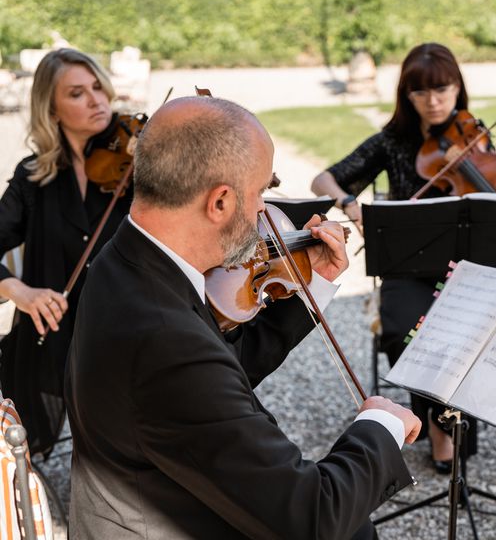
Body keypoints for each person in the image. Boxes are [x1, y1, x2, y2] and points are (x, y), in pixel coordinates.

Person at [65, 96, 422, 540]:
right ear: (219, 202)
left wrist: (314, 284)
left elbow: (214, 375)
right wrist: (380, 426)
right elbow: (313, 517)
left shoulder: (123, 258)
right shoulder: (166, 342)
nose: (264, 212)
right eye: (259, 193)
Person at [311, 42, 490, 473]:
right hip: (407, 267)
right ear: (407, 96)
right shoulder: (392, 141)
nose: (434, 102)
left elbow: (489, 189)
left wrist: (469, 167)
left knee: (463, 332)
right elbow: (324, 179)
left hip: (465, 268)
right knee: (402, 331)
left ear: (457, 89)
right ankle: (436, 420)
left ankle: (450, 427)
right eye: (422, 93)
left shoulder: (473, 133)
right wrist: (350, 202)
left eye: (443, 90)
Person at [0, 48, 134, 455]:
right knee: (23, 434)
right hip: (55, 332)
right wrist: (18, 291)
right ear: (52, 110)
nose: (97, 100)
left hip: (124, 328)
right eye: (77, 93)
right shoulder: (33, 176)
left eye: (98, 87)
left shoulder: (137, 166)